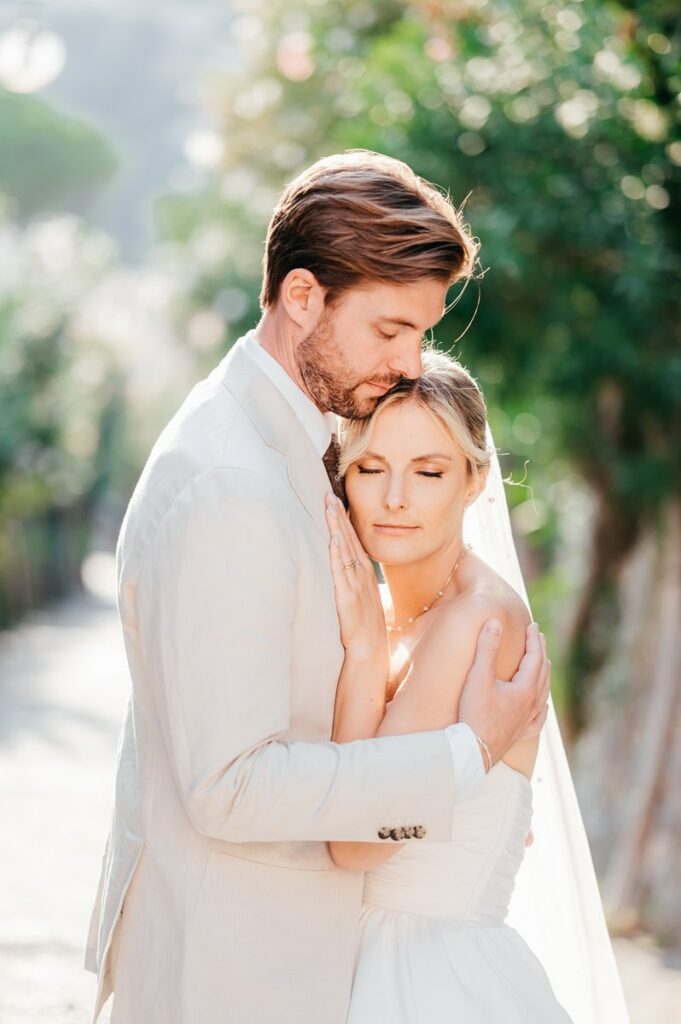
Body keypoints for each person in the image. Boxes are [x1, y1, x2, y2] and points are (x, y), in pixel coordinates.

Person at [83, 151, 549, 1024]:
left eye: (420, 332)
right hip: (232, 974)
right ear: (303, 297)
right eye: (388, 330)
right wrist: (460, 758)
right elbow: (229, 784)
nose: (412, 362)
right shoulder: (232, 480)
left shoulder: (280, 451)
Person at [325, 349, 571, 1022]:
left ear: (474, 480)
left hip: (432, 982)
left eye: (428, 472)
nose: (394, 497)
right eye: (370, 468)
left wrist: (364, 654)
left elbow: (353, 841)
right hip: (346, 959)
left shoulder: (478, 621)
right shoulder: (372, 608)